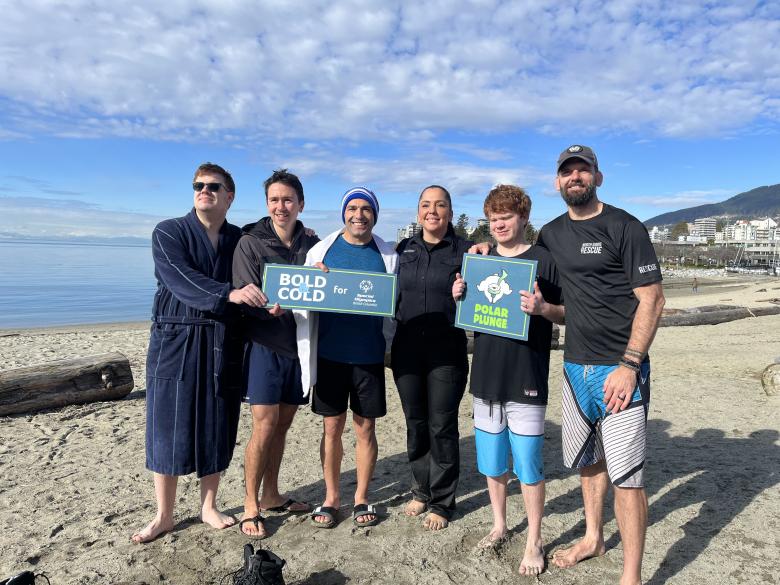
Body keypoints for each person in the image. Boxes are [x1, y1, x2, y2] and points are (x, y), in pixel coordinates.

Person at [536, 145, 665, 585]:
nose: (575, 177)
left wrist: (630, 364)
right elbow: (555, 300)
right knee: (589, 462)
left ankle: (631, 576)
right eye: (567, 172)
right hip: (575, 368)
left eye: (583, 170)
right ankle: (593, 537)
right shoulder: (550, 235)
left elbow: (652, 298)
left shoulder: (625, 226)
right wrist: (483, 250)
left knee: (628, 477)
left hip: (620, 369)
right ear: (557, 182)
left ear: (598, 177)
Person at [133, 162, 266, 544]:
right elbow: (179, 276)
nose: (203, 190)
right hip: (176, 338)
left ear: (229, 196)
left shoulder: (238, 238)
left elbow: (268, 244)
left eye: (213, 186)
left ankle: (208, 505)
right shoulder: (168, 232)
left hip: (223, 339)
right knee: (167, 425)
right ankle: (164, 514)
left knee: (218, 422)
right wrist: (228, 293)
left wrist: (304, 234)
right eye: (198, 185)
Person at [452, 185, 563, 576]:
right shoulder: (477, 260)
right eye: (493, 218)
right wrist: (459, 294)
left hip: (527, 376)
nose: (499, 224)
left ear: (523, 219)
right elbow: (469, 309)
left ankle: (534, 539)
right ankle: (499, 524)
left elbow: (568, 313)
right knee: (492, 462)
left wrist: (544, 308)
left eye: (507, 217)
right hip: (485, 376)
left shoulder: (544, 261)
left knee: (529, 465)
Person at [295, 187, 398, 529]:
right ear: (343, 213)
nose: (359, 214)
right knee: (332, 428)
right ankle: (331, 497)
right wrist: (314, 281)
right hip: (329, 354)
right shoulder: (321, 251)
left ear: (374, 215)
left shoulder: (387, 254)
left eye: (366, 209)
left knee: (365, 427)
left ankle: (362, 497)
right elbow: (301, 297)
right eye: (352, 208)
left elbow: (398, 301)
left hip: (368, 355)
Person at [231, 169, 320, 538]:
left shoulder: (312, 244)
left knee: (282, 427)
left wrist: (323, 280)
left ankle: (272, 494)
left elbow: (320, 289)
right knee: (264, 428)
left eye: (287, 200)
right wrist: (264, 306)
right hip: (265, 348)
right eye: (274, 200)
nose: (281, 207)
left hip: (299, 349)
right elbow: (242, 294)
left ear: (300, 204)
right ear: (266, 205)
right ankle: (250, 503)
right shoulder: (251, 242)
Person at [391, 185, 472, 531]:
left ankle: (442, 501)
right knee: (416, 423)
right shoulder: (403, 249)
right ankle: (420, 489)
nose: (433, 211)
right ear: (418, 211)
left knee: (442, 426)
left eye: (440, 205)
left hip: (447, 353)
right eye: (426, 205)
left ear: (451, 213)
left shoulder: (468, 251)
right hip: (406, 350)